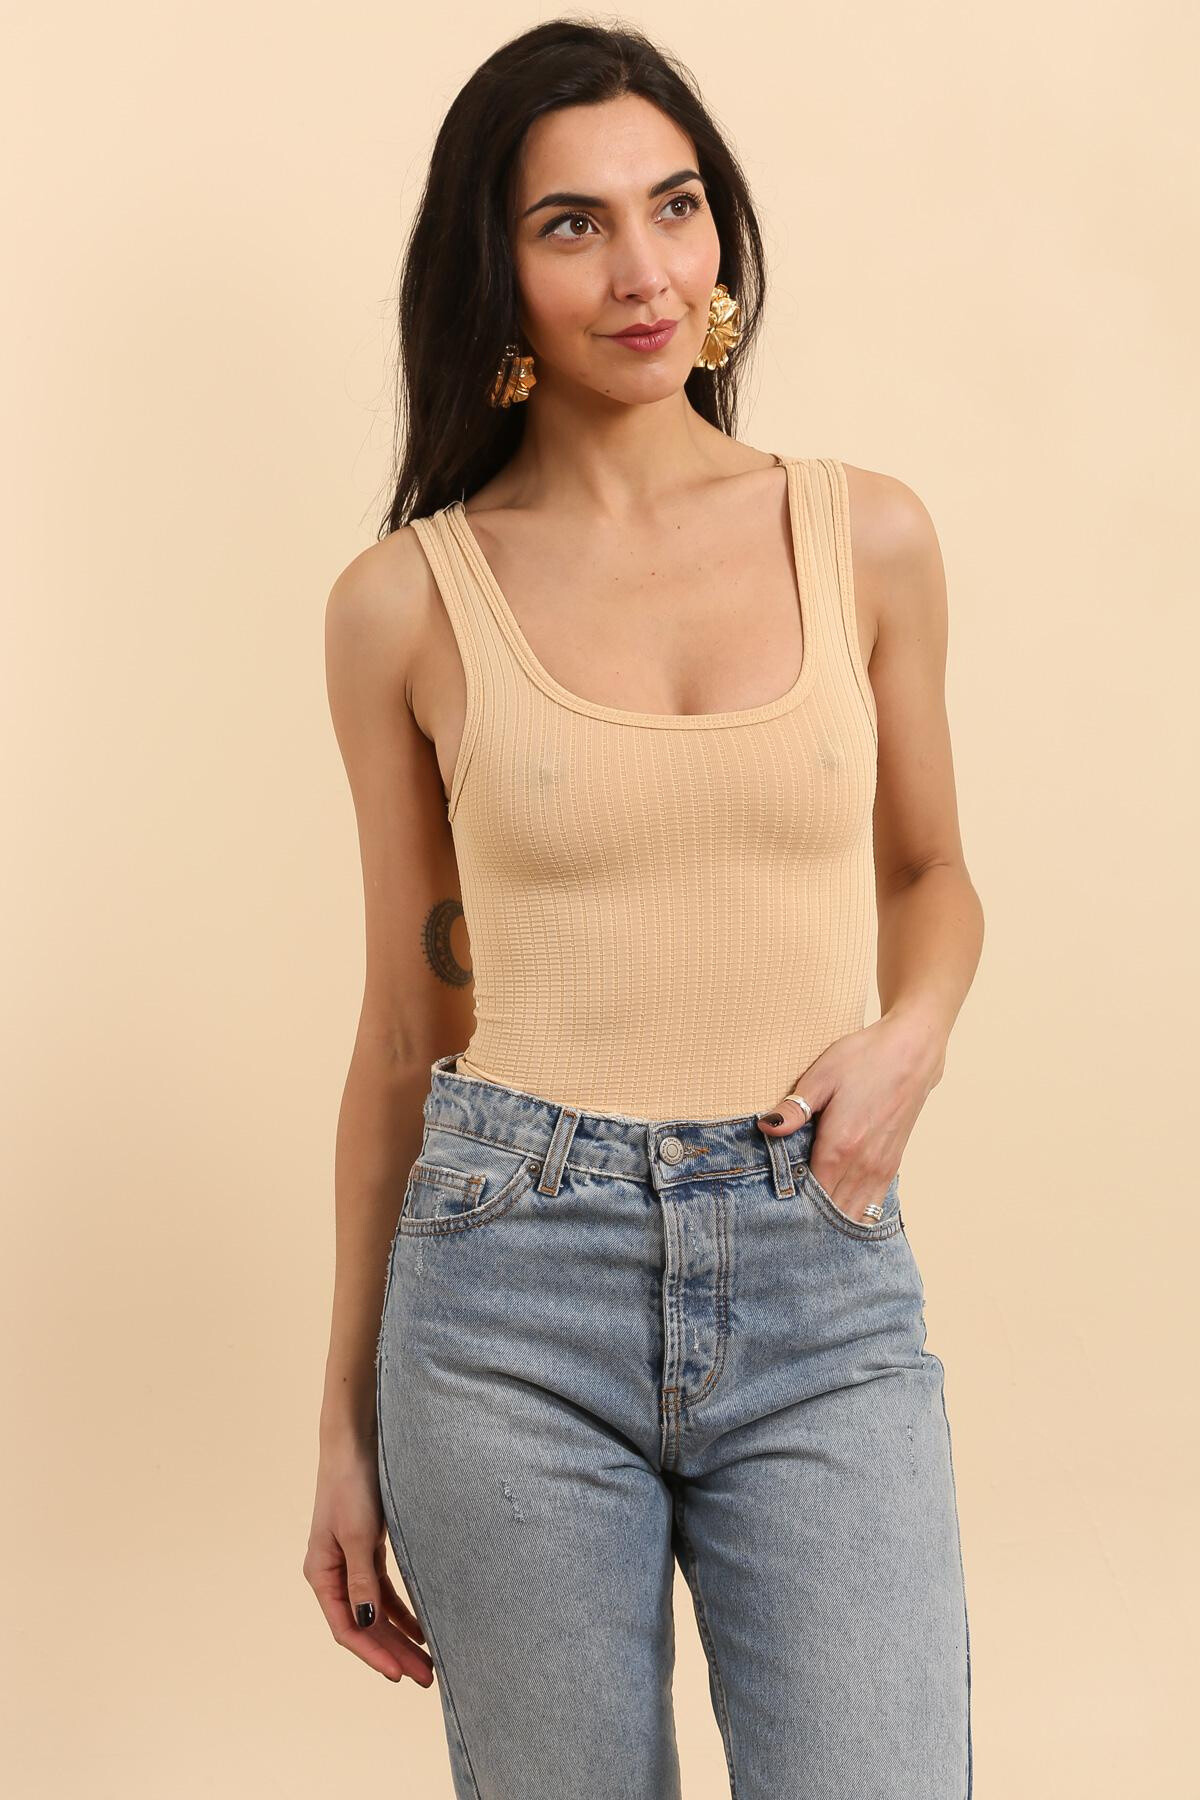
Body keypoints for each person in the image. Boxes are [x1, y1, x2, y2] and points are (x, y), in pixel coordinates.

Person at [305, 18, 983, 1799]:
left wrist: (911, 1036)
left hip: (814, 1268)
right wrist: (344, 1426)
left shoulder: (866, 535)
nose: (644, 271)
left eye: (675, 207)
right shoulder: (404, 605)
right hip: (506, 1290)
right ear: (494, 273)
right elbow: (408, 1025)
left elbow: (932, 872)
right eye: (573, 225)